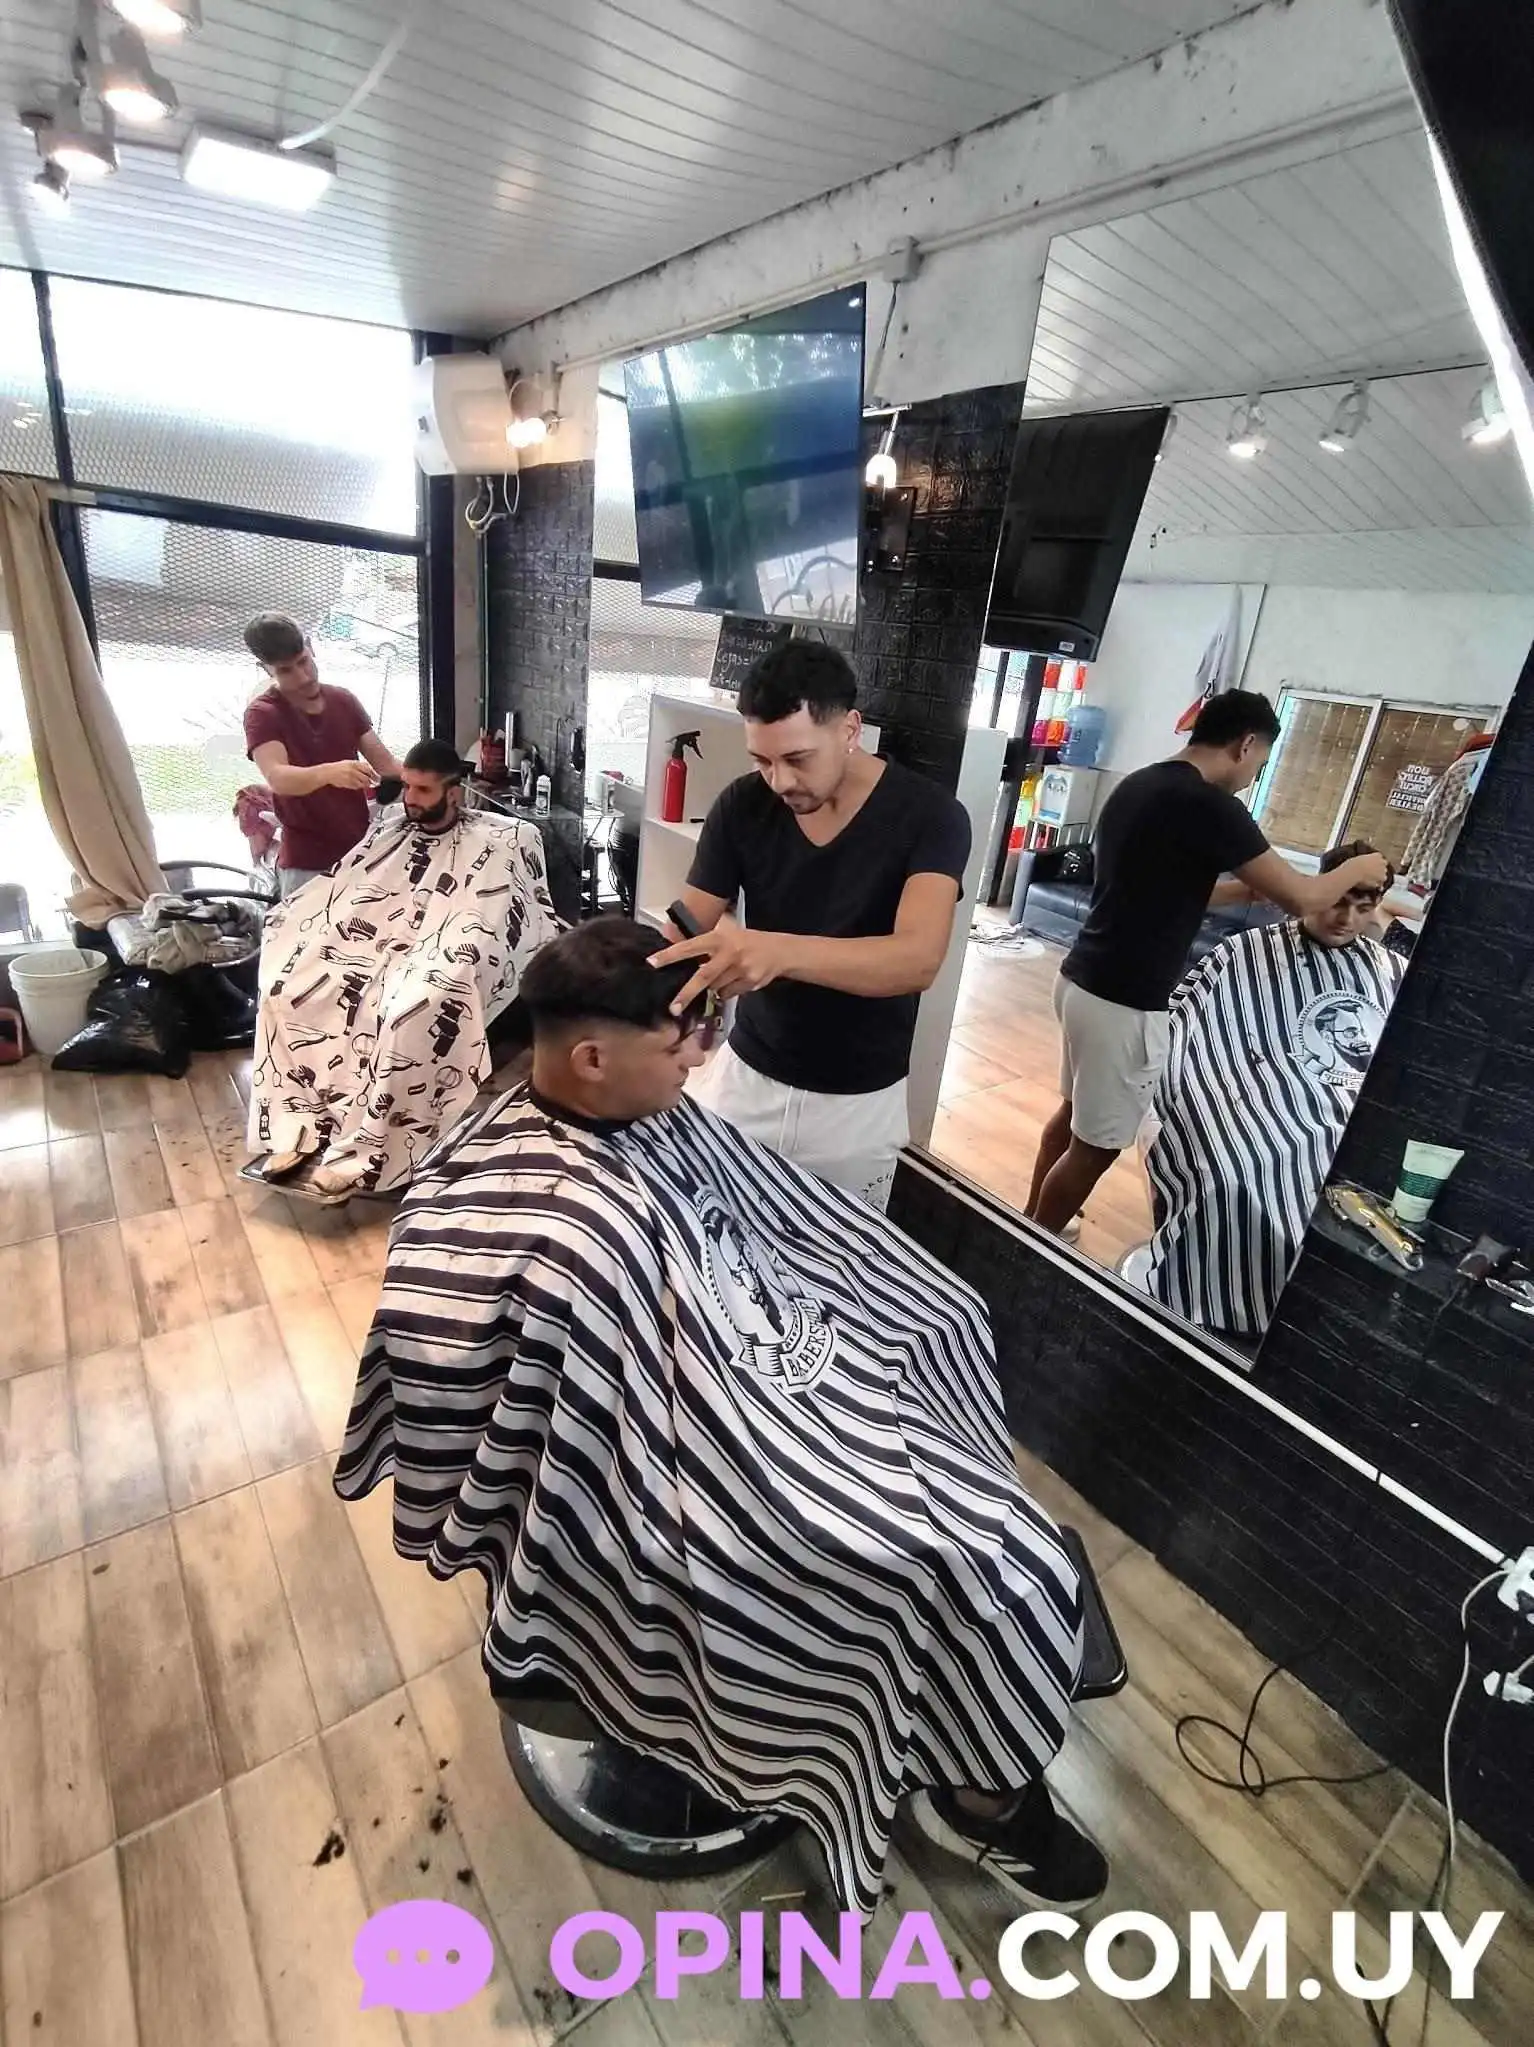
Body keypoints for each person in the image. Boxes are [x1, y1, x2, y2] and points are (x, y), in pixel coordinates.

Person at [332, 917, 1104, 1918]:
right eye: (683, 1042)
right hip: (698, 1475)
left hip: (756, 1375)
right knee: (983, 1560)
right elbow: (619, 1439)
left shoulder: (632, 1113)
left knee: (942, 1323)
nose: (702, 1059)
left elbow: (763, 1240)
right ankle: (983, 1794)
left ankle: (958, 1708)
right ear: (594, 1057)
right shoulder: (563, 1233)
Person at [1025, 690, 1390, 1236]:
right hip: (1124, 1002)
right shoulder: (1211, 804)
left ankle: (1025, 1223)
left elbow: (1155, 891)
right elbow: (1304, 898)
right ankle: (1034, 1244)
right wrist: (1359, 868)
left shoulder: (1140, 784)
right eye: (1260, 762)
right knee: (1095, 1147)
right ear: (1246, 744)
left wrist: (1243, 891)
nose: (1252, 775)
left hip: (1080, 981)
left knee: (1071, 1115)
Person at [653, 641, 971, 1211]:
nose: (778, 781)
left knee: (840, 1255)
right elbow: (686, 926)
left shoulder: (930, 817)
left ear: (850, 729)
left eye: (797, 759)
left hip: (857, 1103)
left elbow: (917, 959)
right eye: (762, 760)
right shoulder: (742, 805)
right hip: (746, 1078)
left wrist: (776, 951)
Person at [248, 738, 560, 1197]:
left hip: (440, 956)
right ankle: (298, 1126)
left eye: (423, 790)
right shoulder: (390, 829)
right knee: (285, 991)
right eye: (407, 786)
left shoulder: (504, 840)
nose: (410, 798)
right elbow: (346, 892)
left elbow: (496, 920)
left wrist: (449, 960)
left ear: (454, 792)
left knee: (403, 1012)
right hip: (374, 950)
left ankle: (368, 1149)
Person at [1141, 841, 1405, 1336]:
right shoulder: (1244, 954)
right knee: (1236, 1178)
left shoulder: (1391, 971)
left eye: (1363, 906)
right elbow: (1181, 1036)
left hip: (1344, 1112)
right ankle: (1219, 1307)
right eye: (1337, 901)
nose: (1346, 918)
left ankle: (1309, 1328)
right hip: (1244, 1099)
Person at [242, 612, 402, 896]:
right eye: (286, 670)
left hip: (357, 852)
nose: (302, 677)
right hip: (305, 865)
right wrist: (329, 772)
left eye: (303, 661)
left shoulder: (344, 700)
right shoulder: (262, 713)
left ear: (311, 646)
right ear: (265, 669)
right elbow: (278, 777)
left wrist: (436, 776)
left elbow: (386, 764)